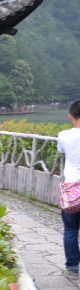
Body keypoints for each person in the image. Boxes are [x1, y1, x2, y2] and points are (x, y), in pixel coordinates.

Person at [58, 99, 80, 276]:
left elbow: (61, 151)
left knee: (71, 230)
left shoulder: (64, 135)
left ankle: (72, 268)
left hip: (71, 188)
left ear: (70, 116)